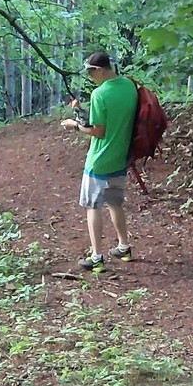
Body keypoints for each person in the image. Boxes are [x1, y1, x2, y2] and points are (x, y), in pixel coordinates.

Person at [60, 52, 138, 271]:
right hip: (120, 157)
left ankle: (96, 257)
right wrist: (81, 112)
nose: (89, 76)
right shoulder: (129, 86)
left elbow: (99, 131)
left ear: (99, 70)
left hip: (99, 160)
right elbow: (113, 119)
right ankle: (124, 247)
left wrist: (74, 126)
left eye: (90, 72)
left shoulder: (100, 94)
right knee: (115, 202)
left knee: (92, 206)